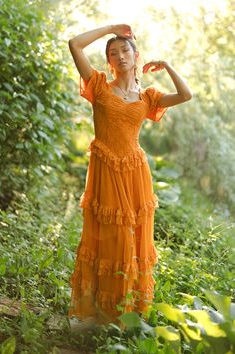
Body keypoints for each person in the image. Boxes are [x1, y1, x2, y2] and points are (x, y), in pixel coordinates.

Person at [67, 24, 192, 329]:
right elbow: (74, 44)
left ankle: (127, 315)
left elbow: (185, 95)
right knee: (109, 237)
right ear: (109, 61)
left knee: (132, 240)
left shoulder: (148, 96)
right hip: (106, 170)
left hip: (135, 172)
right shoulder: (97, 84)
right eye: (113, 53)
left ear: (136, 56)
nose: (120, 56)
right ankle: (101, 313)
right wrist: (111, 28)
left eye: (125, 50)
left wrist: (167, 66)